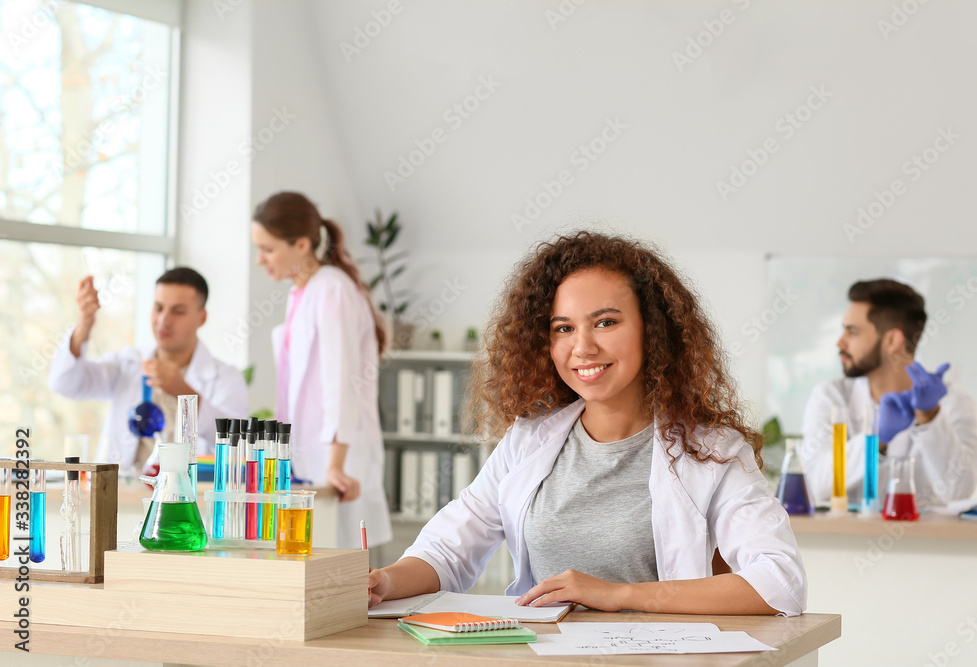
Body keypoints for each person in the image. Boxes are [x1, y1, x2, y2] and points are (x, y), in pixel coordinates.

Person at [366, 231, 806, 616]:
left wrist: (618, 595)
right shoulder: (530, 439)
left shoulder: (712, 450)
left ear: (652, 330)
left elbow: (780, 581)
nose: (583, 347)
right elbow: (447, 551)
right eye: (563, 329)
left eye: (606, 322)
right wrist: (385, 582)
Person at [251, 191, 392, 550]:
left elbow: (340, 381)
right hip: (306, 457)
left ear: (300, 244)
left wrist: (336, 466)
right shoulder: (300, 293)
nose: (259, 260)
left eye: (267, 249)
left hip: (335, 460)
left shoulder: (332, 290)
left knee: (342, 577)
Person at [800, 279, 977, 509]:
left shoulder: (955, 403)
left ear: (892, 340)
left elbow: (958, 493)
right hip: (844, 543)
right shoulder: (830, 397)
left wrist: (930, 417)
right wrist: (876, 438)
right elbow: (813, 486)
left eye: (852, 332)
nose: (840, 342)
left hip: (927, 544)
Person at [49, 267, 249, 469]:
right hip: (124, 492)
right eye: (158, 308)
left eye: (178, 311)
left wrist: (183, 390)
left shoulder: (225, 377)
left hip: (184, 495)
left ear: (202, 318)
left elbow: (237, 443)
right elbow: (63, 383)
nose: (163, 321)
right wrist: (84, 325)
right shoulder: (129, 362)